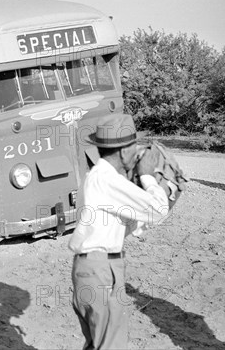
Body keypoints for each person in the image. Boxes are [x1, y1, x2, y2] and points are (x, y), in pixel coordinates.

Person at [68, 113, 170, 350]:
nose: (137, 153)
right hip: (100, 270)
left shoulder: (98, 177)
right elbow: (158, 210)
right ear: (124, 151)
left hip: (93, 268)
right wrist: (147, 176)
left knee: (99, 343)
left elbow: (126, 225)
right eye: (135, 147)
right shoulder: (106, 180)